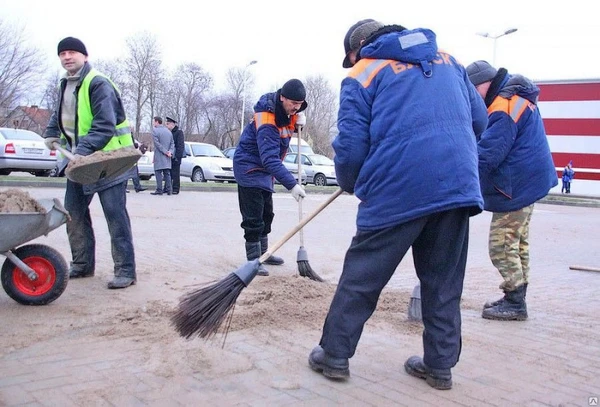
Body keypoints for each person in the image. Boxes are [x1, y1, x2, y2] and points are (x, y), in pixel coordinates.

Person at [308, 20, 489, 390]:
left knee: (362, 277)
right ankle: (440, 367)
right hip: (455, 186)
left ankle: (335, 355)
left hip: (397, 187)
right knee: (443, 282)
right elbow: (480, 121)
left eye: (351, 56)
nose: (353, 61)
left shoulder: (363, 72)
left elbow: (352, 145)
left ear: (359, 46)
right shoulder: (450, 60)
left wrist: (350, 181)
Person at [465, 60, 558, 321]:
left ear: (482, 85)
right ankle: (515, 296)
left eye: (473, 91)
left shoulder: (503, 106)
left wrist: (463, 178)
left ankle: (515, 302)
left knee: (502, 246)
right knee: (518, 244)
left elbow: (489, 155)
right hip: (528, 183)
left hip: (516, 186)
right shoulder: (514, 97)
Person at [43, 36, 137, 289]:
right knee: (73, 213)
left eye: (72, 52)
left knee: (115, 216)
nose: (67, 57)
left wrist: (81, 152)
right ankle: (83, 265)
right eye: (62, 53)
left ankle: (126, 270)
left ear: (85, 56)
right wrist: (51, 134)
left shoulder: (98, 84)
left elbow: (104, 125)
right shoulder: (66, 84)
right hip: (80, 164)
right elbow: (60, 115)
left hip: (110, 162)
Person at [233, 79, 308, 277]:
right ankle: (253, 261)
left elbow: (284, 137)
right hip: (249, 167)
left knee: (267, 214)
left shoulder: (288, 112)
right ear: (282, 97)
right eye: (293, 103)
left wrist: (299, 124)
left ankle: (265, 255)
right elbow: (269, 159)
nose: (296, 108)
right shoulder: (267, 119)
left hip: (265, 170)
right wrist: (292, 185)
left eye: (299, 104)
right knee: (253, 217)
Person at [150, 116, 174, 196]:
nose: (153, 123)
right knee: (167, 173)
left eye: (154, 121)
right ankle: (169, 190)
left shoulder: (155, 131)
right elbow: (172, 143)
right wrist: (170, 152)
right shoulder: (168, 131)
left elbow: (157, 144)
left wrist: (165, 152)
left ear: (157, 122)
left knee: (158, 173)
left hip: (159, 155)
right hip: (167, 157)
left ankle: (159, 189)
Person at [165, 116, 185, 194]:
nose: (166, 126)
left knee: (175, 173)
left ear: (172, 124)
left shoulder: (179, 132)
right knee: (168, 173)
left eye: (168, 124)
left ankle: (176, 188)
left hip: (176, 156)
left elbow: (180, 145)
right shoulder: (169, 132)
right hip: (170, 155)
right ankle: (168, 187)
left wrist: (177, 156)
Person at [127, 128, 147, 193]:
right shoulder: (127, 134)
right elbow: (129, 144)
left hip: (131, 155)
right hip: (128, 155)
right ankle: (125, 187)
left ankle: (137, 186)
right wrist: (136, 145)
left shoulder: (130, 134)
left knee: (135, 171)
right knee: (126, 172)